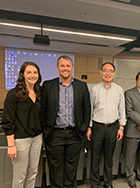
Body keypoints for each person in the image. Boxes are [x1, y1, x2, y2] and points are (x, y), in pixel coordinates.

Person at [41, 55, 91, 188]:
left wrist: (83, 128)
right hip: (54, 134)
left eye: (68, 66)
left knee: (71, 168)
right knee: (55, 167)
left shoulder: (82, 86)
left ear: (72, 68)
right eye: (62, 65)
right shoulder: (47, 85)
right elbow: (43, 110)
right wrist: (45, 131)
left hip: (74, 134)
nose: (65, 68)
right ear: (57, 68)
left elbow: (87, 110)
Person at [1, 61, 43, 188]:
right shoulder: (13, 94)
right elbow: (7, 120)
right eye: (29, 72)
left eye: (35, 72)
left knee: (33, 173)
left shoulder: (39, 93)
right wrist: (11, 145)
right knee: (20, 176)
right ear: (22, 75)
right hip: (20, 140)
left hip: (37, 138)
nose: (32, 75)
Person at [86, 62, 126, 188]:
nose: (108, 73)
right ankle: (94, 182)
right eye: (105, 70)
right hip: (97, 127)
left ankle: (108, 182)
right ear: (101, 72)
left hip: (113, 127)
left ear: (114, 73)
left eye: (110, 71)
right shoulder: (94, 89)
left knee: (109, 157)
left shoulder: (119, 90)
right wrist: (89, 127)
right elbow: (90, 110)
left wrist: (121, 127)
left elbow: (122, 110)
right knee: (95, 156)